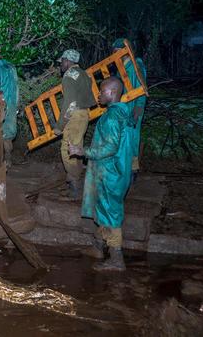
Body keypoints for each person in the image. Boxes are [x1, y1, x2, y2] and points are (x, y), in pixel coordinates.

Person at [70, 77, 134, 272]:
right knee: (104, 208)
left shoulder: (112, 117)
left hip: (109, 172)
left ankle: (116, 259)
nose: (99, 94)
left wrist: (84, 152)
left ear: (112, 93)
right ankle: (98, 247)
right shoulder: (124, 113)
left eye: (102, 91)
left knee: (110, 213)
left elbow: (110, 147)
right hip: (119, 170)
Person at [53, 49, 94, 200]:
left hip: (75, 116)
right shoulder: (84, 74)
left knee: (68, 149)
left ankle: (74, 186)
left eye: (62, 61)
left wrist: (60, 125)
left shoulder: (69, 76)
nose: (61, 64)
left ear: (68, 61)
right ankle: (75, 184)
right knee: (77, 147)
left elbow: (70, 103)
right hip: (84, 115)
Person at [112, 38, 147, 176]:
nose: (113, 54)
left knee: (132, 137)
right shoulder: (120, 67)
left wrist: (138, 108)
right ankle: (122, 168)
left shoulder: (136, 64)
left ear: (124, 51)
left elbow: (141, 87)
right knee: (121, 138)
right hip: (121, 108)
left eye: (116, 51)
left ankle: (133, 171)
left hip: (133, 108)